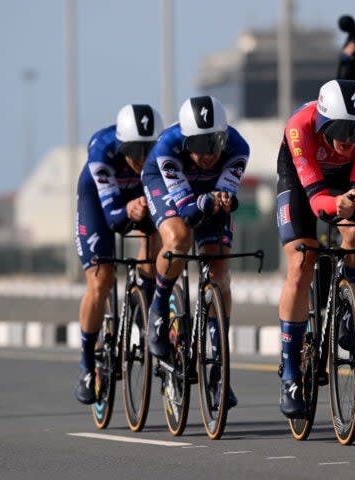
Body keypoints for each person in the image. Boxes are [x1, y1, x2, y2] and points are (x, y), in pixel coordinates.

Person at [275, 79, 355, 418]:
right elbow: (318, 202)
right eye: (340, 129)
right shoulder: (299, 128)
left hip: (343, 181)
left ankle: (345, 299)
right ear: (322, 123)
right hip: (303, 183)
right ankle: (290, 372)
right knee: (302, 261)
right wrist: (338, 204)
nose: (348, 140)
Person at [141, 95, 250, 410]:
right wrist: (208, 201)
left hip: (208, 193)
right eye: (199, 144)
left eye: (214, 142)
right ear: (186, 140)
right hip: (165, 185)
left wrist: (223, 199)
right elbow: (188, 211)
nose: (208, 153)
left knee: (219, 268)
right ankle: (158, 311)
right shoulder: (167, 147)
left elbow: (224, 198)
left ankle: (220, 368)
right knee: (178, 238)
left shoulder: (238, 147)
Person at [74, 104, 164, 404]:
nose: (141, 158)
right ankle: (88, 362)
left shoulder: (159, 154)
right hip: (100, 203)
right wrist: (129, 209)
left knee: (155, 245)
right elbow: (114, 218)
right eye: (134, 150)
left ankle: (144, 307)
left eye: (148, 149)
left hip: (138, 197)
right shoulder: (102, 150)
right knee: (101, 281)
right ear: (121, 144)